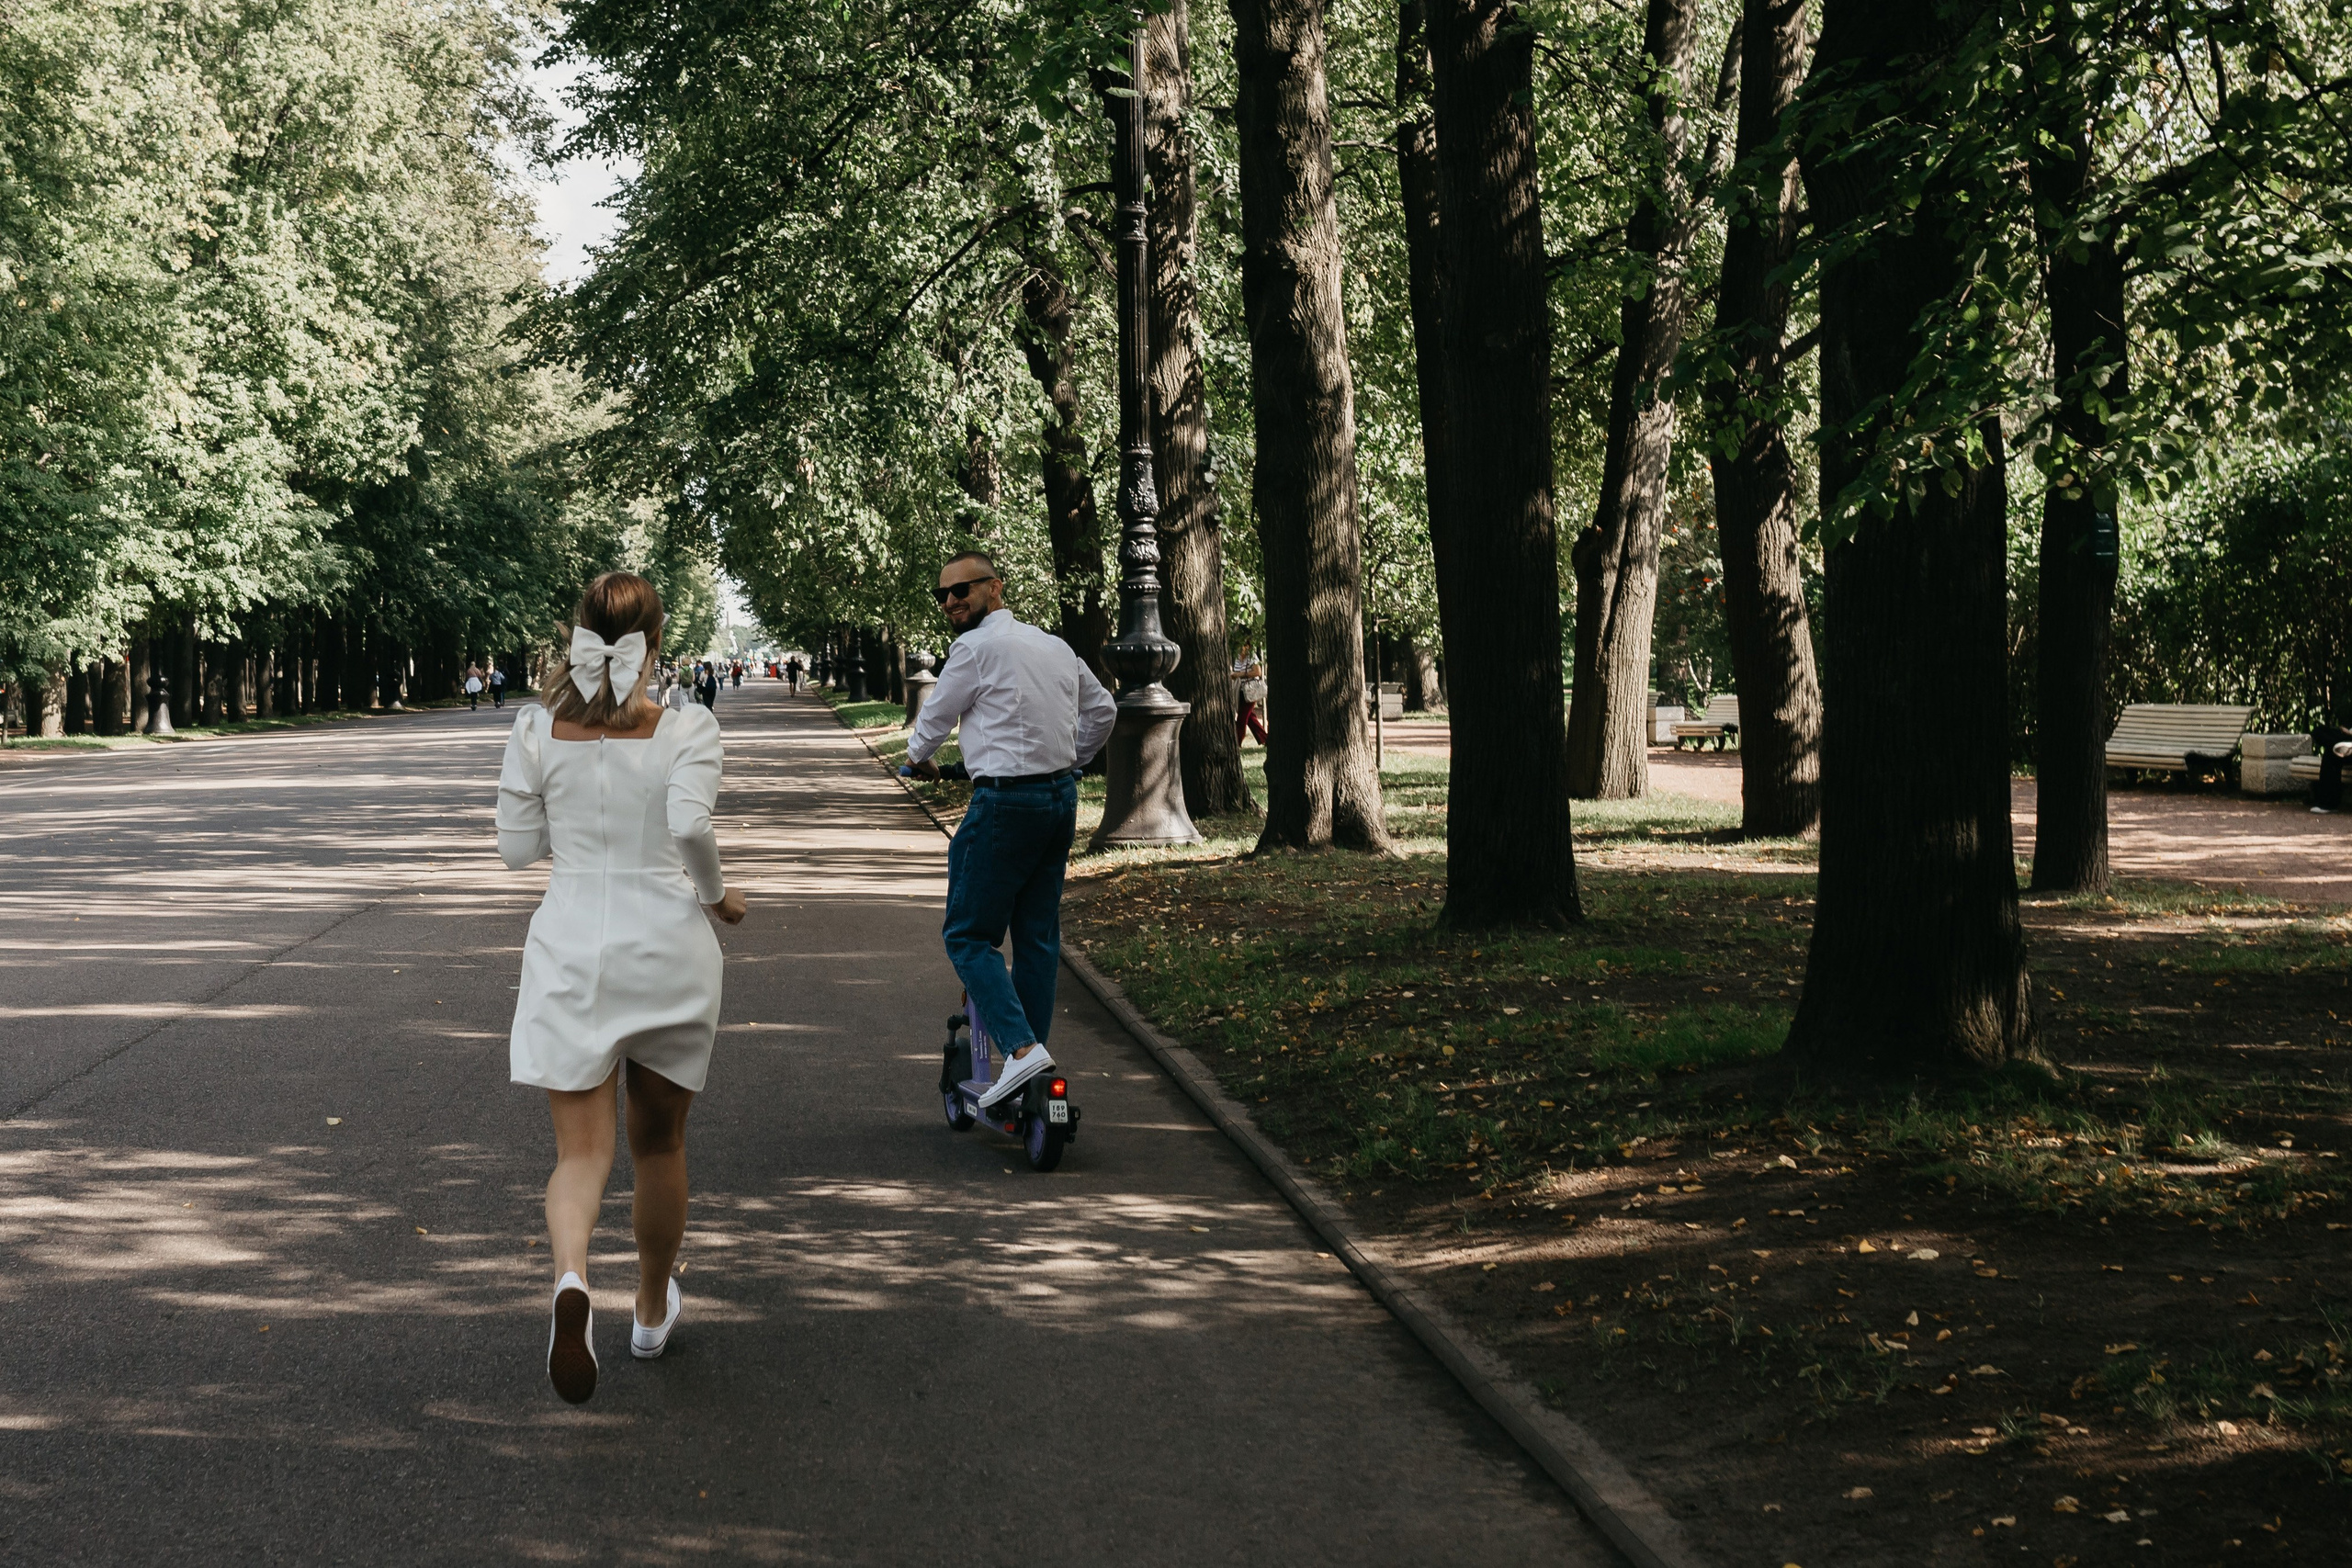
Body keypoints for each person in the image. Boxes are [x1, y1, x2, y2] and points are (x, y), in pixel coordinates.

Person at [495, 571, 747, 1404]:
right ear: (657, 645)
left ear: (576, 636)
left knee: (580, 1154)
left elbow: (515, 850)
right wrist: (718, 898)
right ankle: (646, 1310)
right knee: (660, 1145)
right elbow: (688, 826)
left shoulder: (537, 730)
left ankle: (573, 1280)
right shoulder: (686, 728)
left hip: (571, 945)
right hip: (667, 947)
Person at [908, 551, 1116, 1111]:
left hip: (1003, 805)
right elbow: (1103, 712)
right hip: (1059, 801)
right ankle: (1032, 1067)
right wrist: (1071, 761)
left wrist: (918, 757)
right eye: (944, 595)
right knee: (1037, 940)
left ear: (994, 589)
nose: (951, 602)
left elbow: (933, 721)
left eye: (962, 590)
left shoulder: (974, 648)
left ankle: (1022, 1053)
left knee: (968, 936)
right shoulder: (1054, 645)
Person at [2310, 721, 2352, 814]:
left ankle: (2328, 804)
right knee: (2319, 731)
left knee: (2332, 752)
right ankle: (2342, 746)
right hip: (2347, 741)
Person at [1232, 645, 1268, 745]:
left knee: (1241, 718)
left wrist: (1240, 674)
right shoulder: (1237, 657)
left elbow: (1257, 672)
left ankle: (1237, 742)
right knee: (1250, 717)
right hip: (1241, 690)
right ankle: (1265, 739)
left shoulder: (1252, 656)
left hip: (1251, 691)